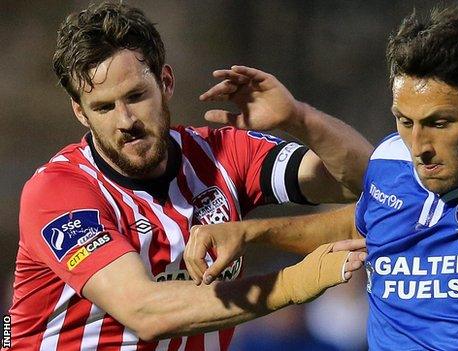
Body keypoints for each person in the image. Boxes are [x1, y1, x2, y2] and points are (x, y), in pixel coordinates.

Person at [185, 7, 458, 351]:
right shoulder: (393, 162)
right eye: (404, 121)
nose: (419, 145)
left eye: (439, 122)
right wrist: (250, 232)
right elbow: (362, 224)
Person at [7, 2, 371, 350]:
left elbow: (366, 180)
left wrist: (300, 119)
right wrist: (294, 282)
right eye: (103, 107)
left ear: (165, 82)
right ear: (81, 113)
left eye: (136, 96)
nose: (126, 122)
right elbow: (144, 311)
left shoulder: (223, 155)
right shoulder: (58, 191)